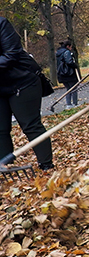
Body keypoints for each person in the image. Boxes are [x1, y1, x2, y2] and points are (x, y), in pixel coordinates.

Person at [0, 16, 53, 171]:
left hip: (22, 81)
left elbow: (12, 54)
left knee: (30, 125)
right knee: (1, 128)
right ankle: (4, 166)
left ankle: (46, 165)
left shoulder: (1, 24)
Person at [56, 40, 80, 105]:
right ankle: (75, 103)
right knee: (74, 88)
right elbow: (69, 62)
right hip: (69, 73)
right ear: (67, 46)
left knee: (68, 89)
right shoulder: (67, 52)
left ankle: (68, 104)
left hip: (61, 74)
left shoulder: (58, 53)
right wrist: (75, 65)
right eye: (70, 47)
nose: (71, 48)